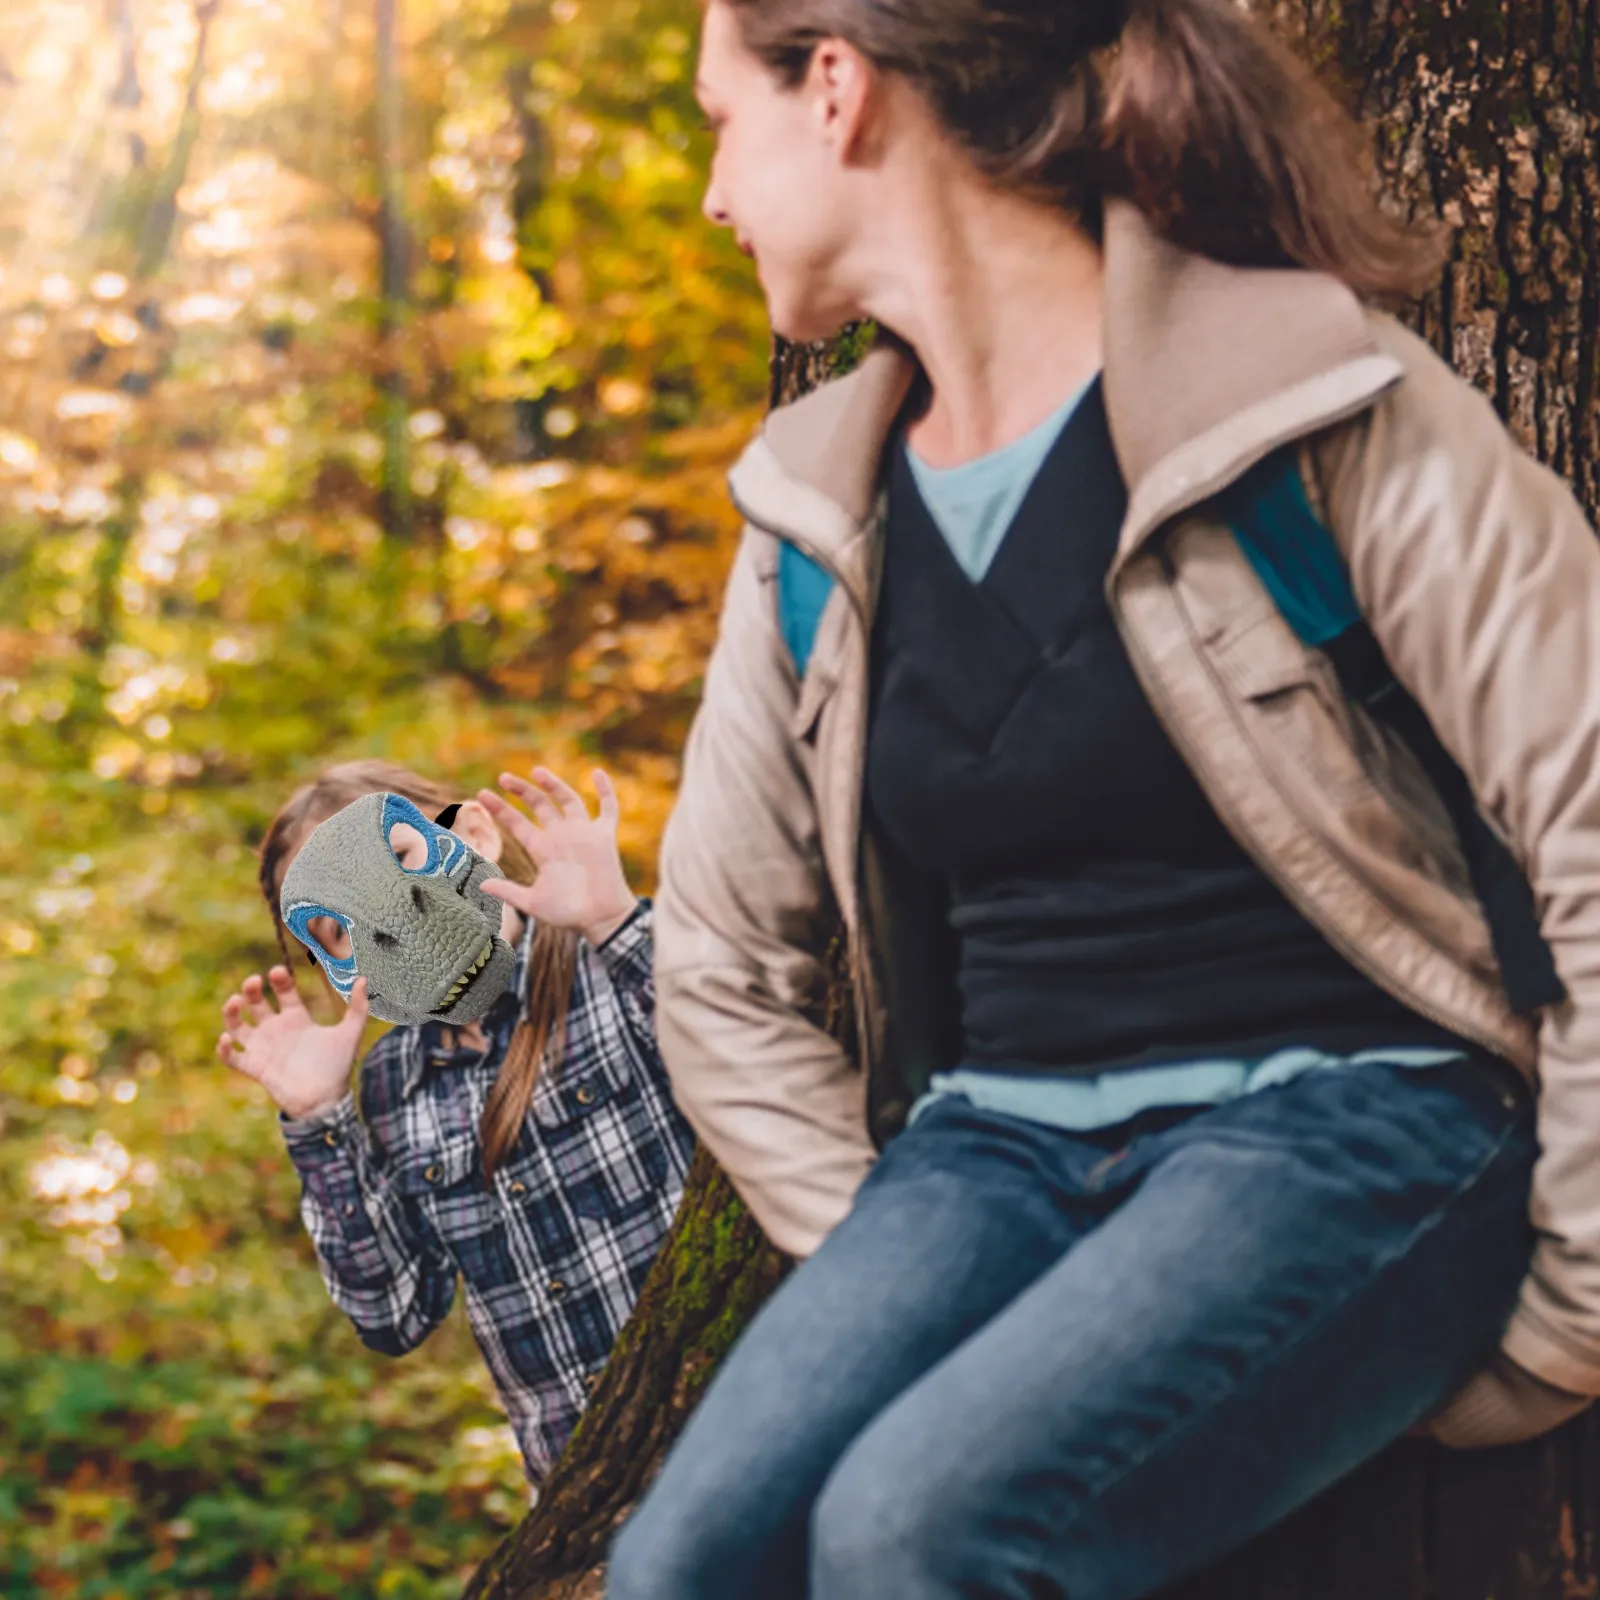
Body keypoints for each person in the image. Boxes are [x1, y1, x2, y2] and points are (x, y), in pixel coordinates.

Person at [607, 0, 1600, 1593]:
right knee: (685, 1566)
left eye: (725, 121)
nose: (715, 196)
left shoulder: (1315, 402)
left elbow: (1592, 821)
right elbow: (719, 970)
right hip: (990, 1154)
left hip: (1348, 1124)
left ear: (841, 93)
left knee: (915, 1530)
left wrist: (1573, 1309)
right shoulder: (813, 510)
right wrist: (909, 1286)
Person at [219, 759, 695, 1485]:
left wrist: (614, 923)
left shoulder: (615, 968)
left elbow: (753, 1063)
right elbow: (395, 1312)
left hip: (740, 1410)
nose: (385, 917)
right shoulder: (390, 1084)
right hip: (590, 1504)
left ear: (474, 831)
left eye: (400, 860)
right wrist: (319, 1120)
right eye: (334, 930)